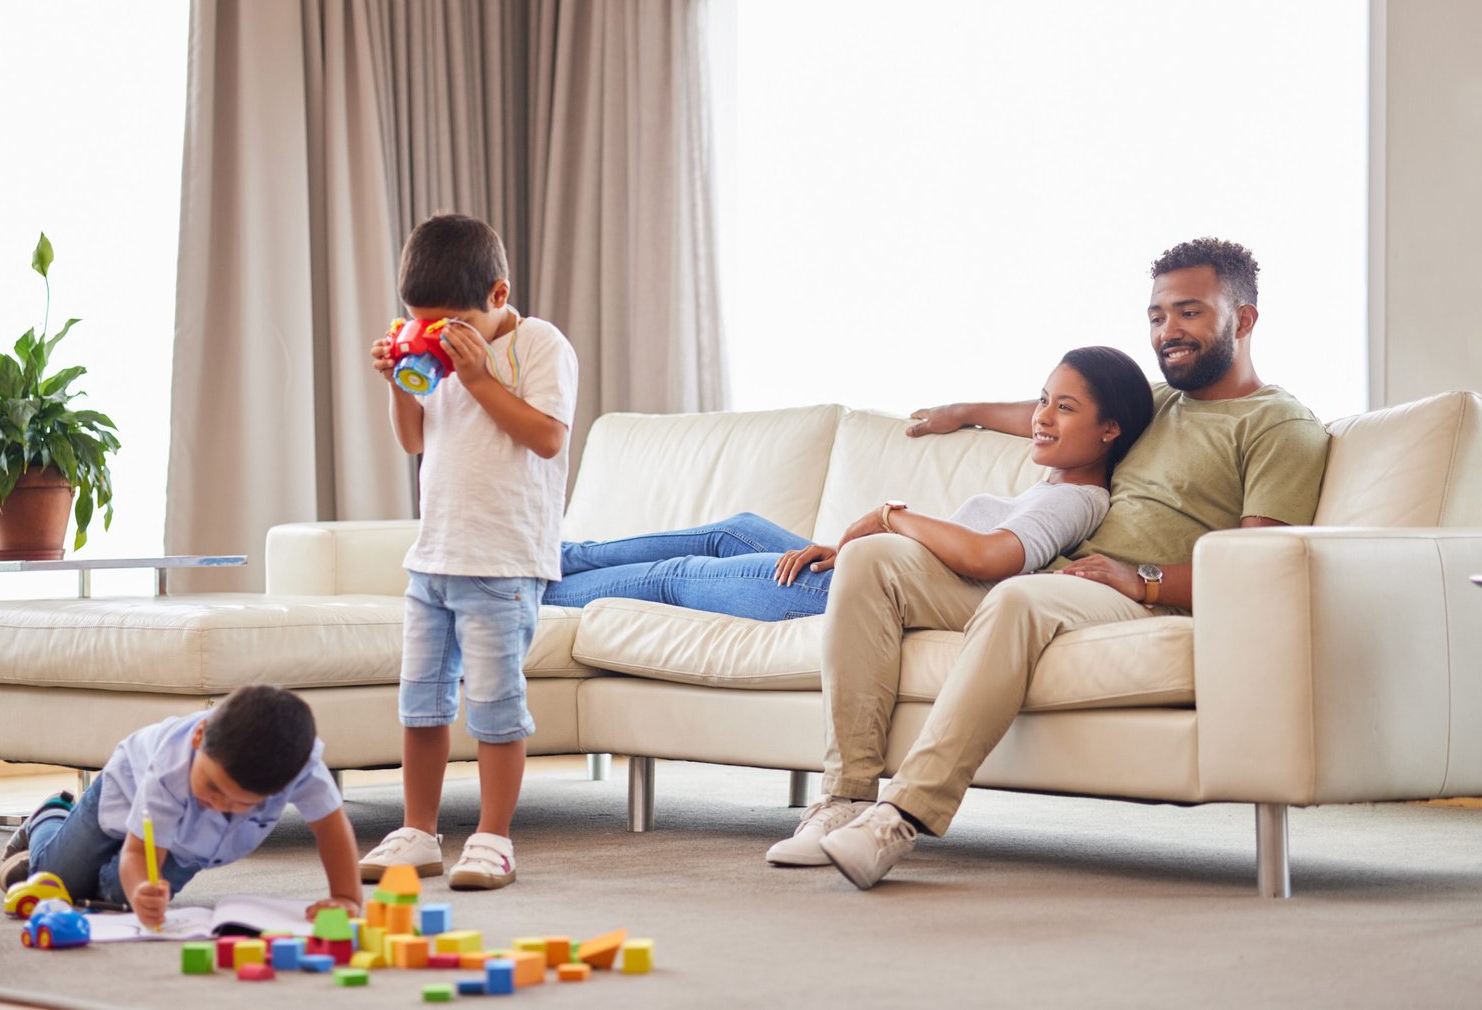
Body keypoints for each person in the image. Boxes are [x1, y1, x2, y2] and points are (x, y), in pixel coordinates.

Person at [773, 237, 1332, 888]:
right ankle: (844, 799)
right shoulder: (1158, 405)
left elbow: (1255, 566)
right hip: (1063, 580)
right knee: (873, 559)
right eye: (1156, 316)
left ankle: (900, 818)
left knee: (1018, 597)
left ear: (1242, 319)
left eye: (1190, 313)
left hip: (1136, 595)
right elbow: (1067, 414)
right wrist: (964, 413)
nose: (1168, 332)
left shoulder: (1279, 425)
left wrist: (1143, 581)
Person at [545, 347, 1155, 622]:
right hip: (858, 573)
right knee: (733, 531)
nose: (1042, 417)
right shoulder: (1054, 477)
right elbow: (1027, 415)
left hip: (844, 599)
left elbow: (990, 556)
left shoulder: (1073, 501)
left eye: (1065, 409)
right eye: (1043, 400)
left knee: (672, 579)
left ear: (1109, 429)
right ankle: (554, 557)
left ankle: (524, 594)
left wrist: (888, 517)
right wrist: (963, 410)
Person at [357, 214, 578, 891]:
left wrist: (479, 378)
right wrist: (402, 381)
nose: (438, 338)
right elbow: (414, 441)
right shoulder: (439, 355)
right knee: (420, 705)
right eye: (422, 324)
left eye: (451, 324)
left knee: (495, 707)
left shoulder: (539, 344)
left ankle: (492, 837)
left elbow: (547, 438)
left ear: (499, 295)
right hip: (433, 559)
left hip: (502, 564)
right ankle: (419, 830)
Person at [0, 685, 360, 929]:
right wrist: (137, 873)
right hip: (122, 795)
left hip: (189, 843)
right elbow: (138, 851)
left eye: (240, 805)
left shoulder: (301, 767)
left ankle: (107, 875)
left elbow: (331, 827)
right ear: (199, 737)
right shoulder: (171, 767)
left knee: (128, 899)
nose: (218, 804)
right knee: (54, 879)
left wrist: (345, 897)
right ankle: (50, 815)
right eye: (213, 786)